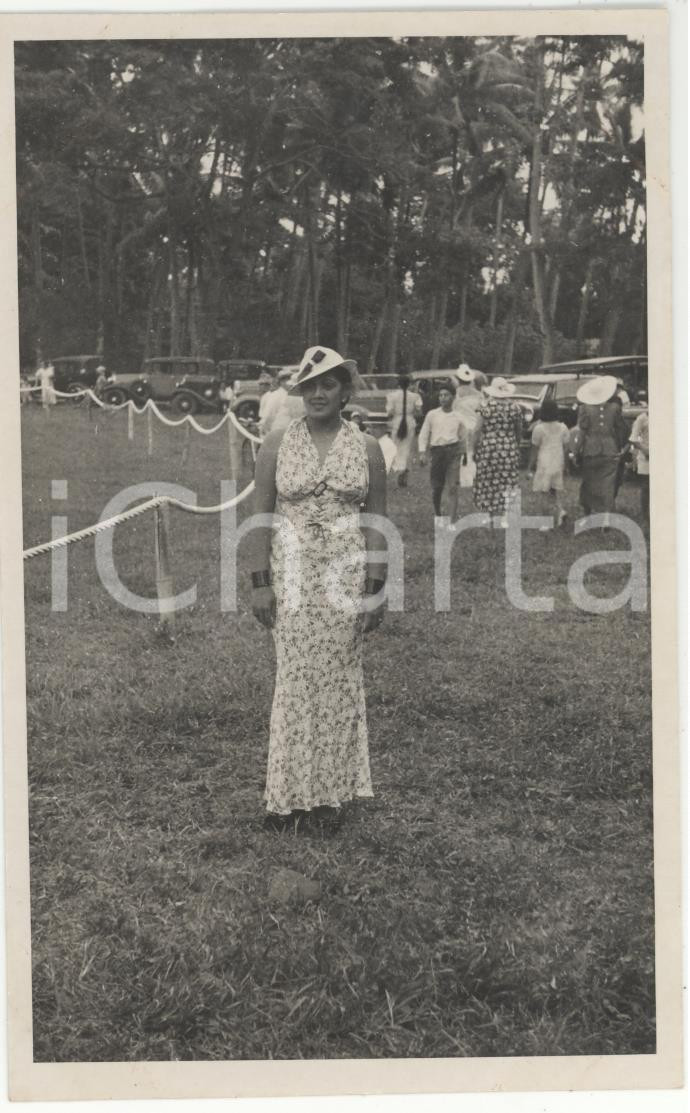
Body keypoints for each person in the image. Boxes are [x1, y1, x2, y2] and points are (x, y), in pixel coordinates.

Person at [250, 345, 388, 833]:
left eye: (327, 384)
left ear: (345, 392)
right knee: (294, 682)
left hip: (345, 581)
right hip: (290, 580)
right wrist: (259, 585)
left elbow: (376, 521)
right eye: (309, 386)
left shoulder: (367, 448)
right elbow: (260, 518)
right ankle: (287, 797)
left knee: (337, 682)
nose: (318, 394)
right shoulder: (276, 444)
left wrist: (375, 588)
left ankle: (330, 797)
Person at [572, 375, 629, 520]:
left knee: (588, 483)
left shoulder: (585, 408)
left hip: (591, 451)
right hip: (610, 450)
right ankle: (606, 518)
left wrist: (575, 451)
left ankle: (587, 514)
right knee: (608, 486)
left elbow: (582, 432)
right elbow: (620, 430)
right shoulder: (615, 408)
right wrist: (623, 448)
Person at [473, 377, 523, 527]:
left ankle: (488, 515)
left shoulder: (486, 406)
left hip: (489, 447)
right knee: (508, 481)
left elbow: (477, 430)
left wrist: (475, 447)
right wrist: (515, 445)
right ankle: (506, 516)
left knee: (488, 480)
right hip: (508, 446)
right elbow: (519, 430)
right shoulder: (515, 407)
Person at [417, 381, 468, 527]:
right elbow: (424, 434)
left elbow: (463, 436)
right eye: (441, 395)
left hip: (453, 452)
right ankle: (438, 513)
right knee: (437, 487)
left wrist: (463, 454)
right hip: (437, 452)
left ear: (453, 397)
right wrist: (422, 452)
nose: (443, 398)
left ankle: (452, 521)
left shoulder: (458, 416)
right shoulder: (432, 415)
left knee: (453, 487)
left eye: (446, 395)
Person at [527, 398, 570, 529]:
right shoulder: (563, 427)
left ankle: (546, 522)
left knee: (544, 492)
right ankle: (560, 511)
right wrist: (566, 465)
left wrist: (530, 467)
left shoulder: (538, 428)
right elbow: (566, 448)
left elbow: (534, 450)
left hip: (545, 461)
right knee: (553, 490)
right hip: (558, 460)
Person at [385, 373, 422, 487]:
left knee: (397, 447)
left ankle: (399, 470)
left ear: (398, 384)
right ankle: (404, 470)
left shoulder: (392, 396)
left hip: (397, 421)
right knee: (407, 448)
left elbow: (389, 412)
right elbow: (419, 412)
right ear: (409, 384)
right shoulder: (415, 396)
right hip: (409, 421)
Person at [629, 405, 650, 522]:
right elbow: (633, 438)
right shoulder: (642, 418)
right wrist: (644, 449)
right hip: (646, 456)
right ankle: (646, 515)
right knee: (646, 487)